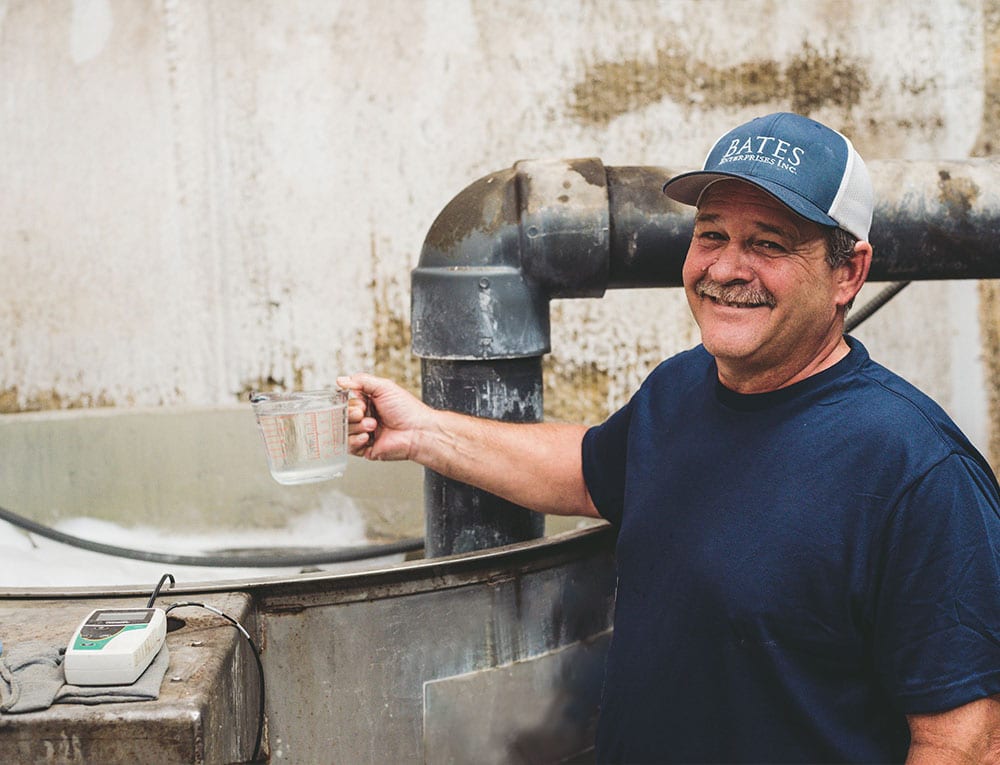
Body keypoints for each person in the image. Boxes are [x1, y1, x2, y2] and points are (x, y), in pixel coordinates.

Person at [338, 112, 1000, 763]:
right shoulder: (680, 389)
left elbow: (964, 741)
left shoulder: (917, 469)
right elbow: (583, 468)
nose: (727, 268)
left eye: (769, 243)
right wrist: (420, 428)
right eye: (711, 234)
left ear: (848, 273)